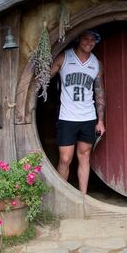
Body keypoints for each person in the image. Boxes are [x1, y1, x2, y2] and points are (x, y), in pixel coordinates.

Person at [50, 29, 106, 198]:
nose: (89, 42)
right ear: (78, 39)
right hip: (67, 118)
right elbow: (44, 78)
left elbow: (99, 93)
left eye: (93, 40)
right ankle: (62, 198)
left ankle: (83, 198)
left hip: (88, 117)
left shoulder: (96, 64)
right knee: (65, 159)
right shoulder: (64, 57)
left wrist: (100, 121)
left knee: (84, 156)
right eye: (85, 38)